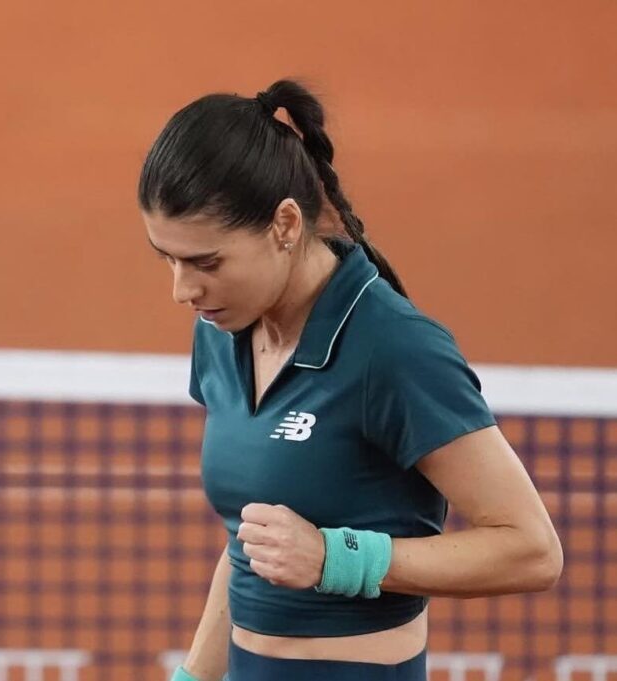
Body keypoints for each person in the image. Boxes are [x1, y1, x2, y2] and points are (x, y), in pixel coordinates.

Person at [137, 79, 564, 681]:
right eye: (168, 258)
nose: (183, 290)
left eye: (206, 262)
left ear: (285, 224)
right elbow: (249, 546)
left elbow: (531, 550)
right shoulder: (221, 329)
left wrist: (335, 559)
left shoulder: (392, 348)